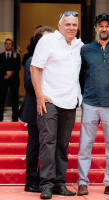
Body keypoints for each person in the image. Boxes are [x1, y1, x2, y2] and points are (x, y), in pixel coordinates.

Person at [30, 11, 83, 199]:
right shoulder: (48, 41)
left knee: (62, 144)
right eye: (67, 24)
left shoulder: (79, 45)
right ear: (59, 25)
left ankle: (60, 184)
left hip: (70, 101)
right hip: (49, 101)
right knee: (48, 142)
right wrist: (39, 95)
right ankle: (46, 184)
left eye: (74, 25)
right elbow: (35, 67)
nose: (71, 28)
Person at [77, 13, 109, 196]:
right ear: (95, 28)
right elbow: (78, 74)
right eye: (101, 26)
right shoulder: (85, 49)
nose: (104, 29)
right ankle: (83, 182)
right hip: (90, 103)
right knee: (85, 145)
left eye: (107, 25)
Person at [19, 26, 54, 193]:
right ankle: (30, 180)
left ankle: (43, 178)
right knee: (34, 145)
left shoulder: (54, 60)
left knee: (47, 146)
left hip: (50, 109)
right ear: (38, 41)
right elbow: (27, 85)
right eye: (45, 39)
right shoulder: (31, 60)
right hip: (34, 109)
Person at [0, 38, 21, 122]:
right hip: (3, 79)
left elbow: (18, 67)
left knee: (15, 99)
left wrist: (9, 73)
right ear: (4, 45)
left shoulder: (17, 55)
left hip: (14, 80)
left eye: (9, 44)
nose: (8, 45)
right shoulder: (0, 55)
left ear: (12, 46)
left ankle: (15, 117)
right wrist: (5, 73)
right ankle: (0, 117)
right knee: (1, 99)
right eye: (6, 43)